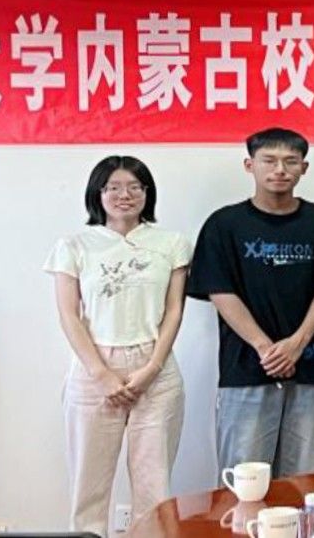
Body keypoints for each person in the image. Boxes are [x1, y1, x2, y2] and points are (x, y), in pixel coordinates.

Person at [186, 128, 314, 475]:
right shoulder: (224, 224)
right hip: (247, 367)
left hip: (311, 365)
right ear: (250, 165)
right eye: (269, 160)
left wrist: (297, 344)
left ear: (304, 168)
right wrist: (266, 348)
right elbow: (219, 290)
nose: (280, 169)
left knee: (307, 479)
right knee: (244, 478)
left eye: (290, 161)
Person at [46, 156, 191, 536]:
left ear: (147, 193)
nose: (124, 195)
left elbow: (174, 310)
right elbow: (69, 314)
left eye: (134, 187)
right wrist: (102, 374)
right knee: (88, 486)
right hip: (94, 368)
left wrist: (152, 367)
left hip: (155, 368)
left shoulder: (171, 244)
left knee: (154, 485)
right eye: (113, 187)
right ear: (98, 194)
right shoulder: (74, 246)